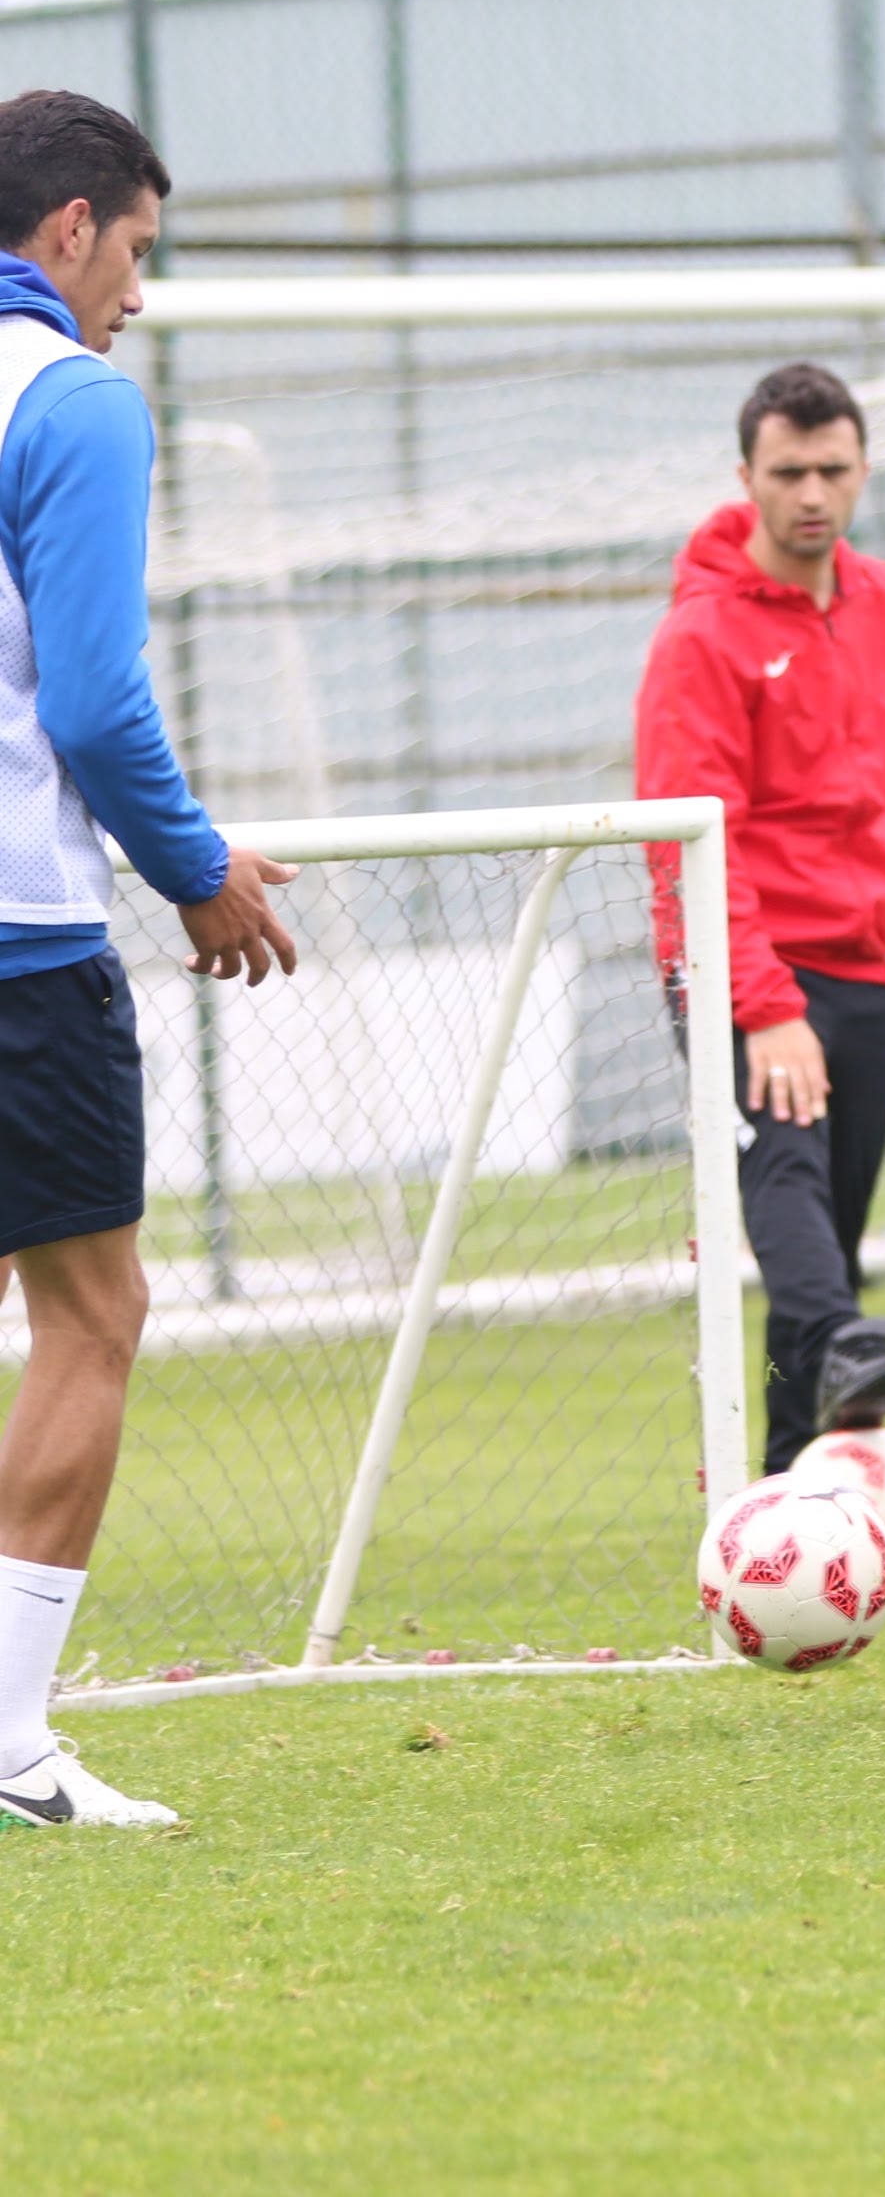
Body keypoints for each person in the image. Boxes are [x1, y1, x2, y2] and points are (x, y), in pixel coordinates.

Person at [0, 91, 299, 1830]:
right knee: (91, 1311)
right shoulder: (74, 403)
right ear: (67, 232)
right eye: (137, 253)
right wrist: (194, 872)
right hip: (21, 942)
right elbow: (100, 701)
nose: (137, 296)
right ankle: (14, 1740)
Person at [633, 362, 885, 1477]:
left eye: (833, 470)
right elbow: (693, 834)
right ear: (747, 478)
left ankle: (782, 1480)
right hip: (742, 964)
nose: (813, 493)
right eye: (789, 472)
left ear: (863, 470)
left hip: (862, 960)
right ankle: (843, 1352)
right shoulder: (703, 636)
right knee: (786, 1176)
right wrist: (764, 1005)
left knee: (829, 1233)